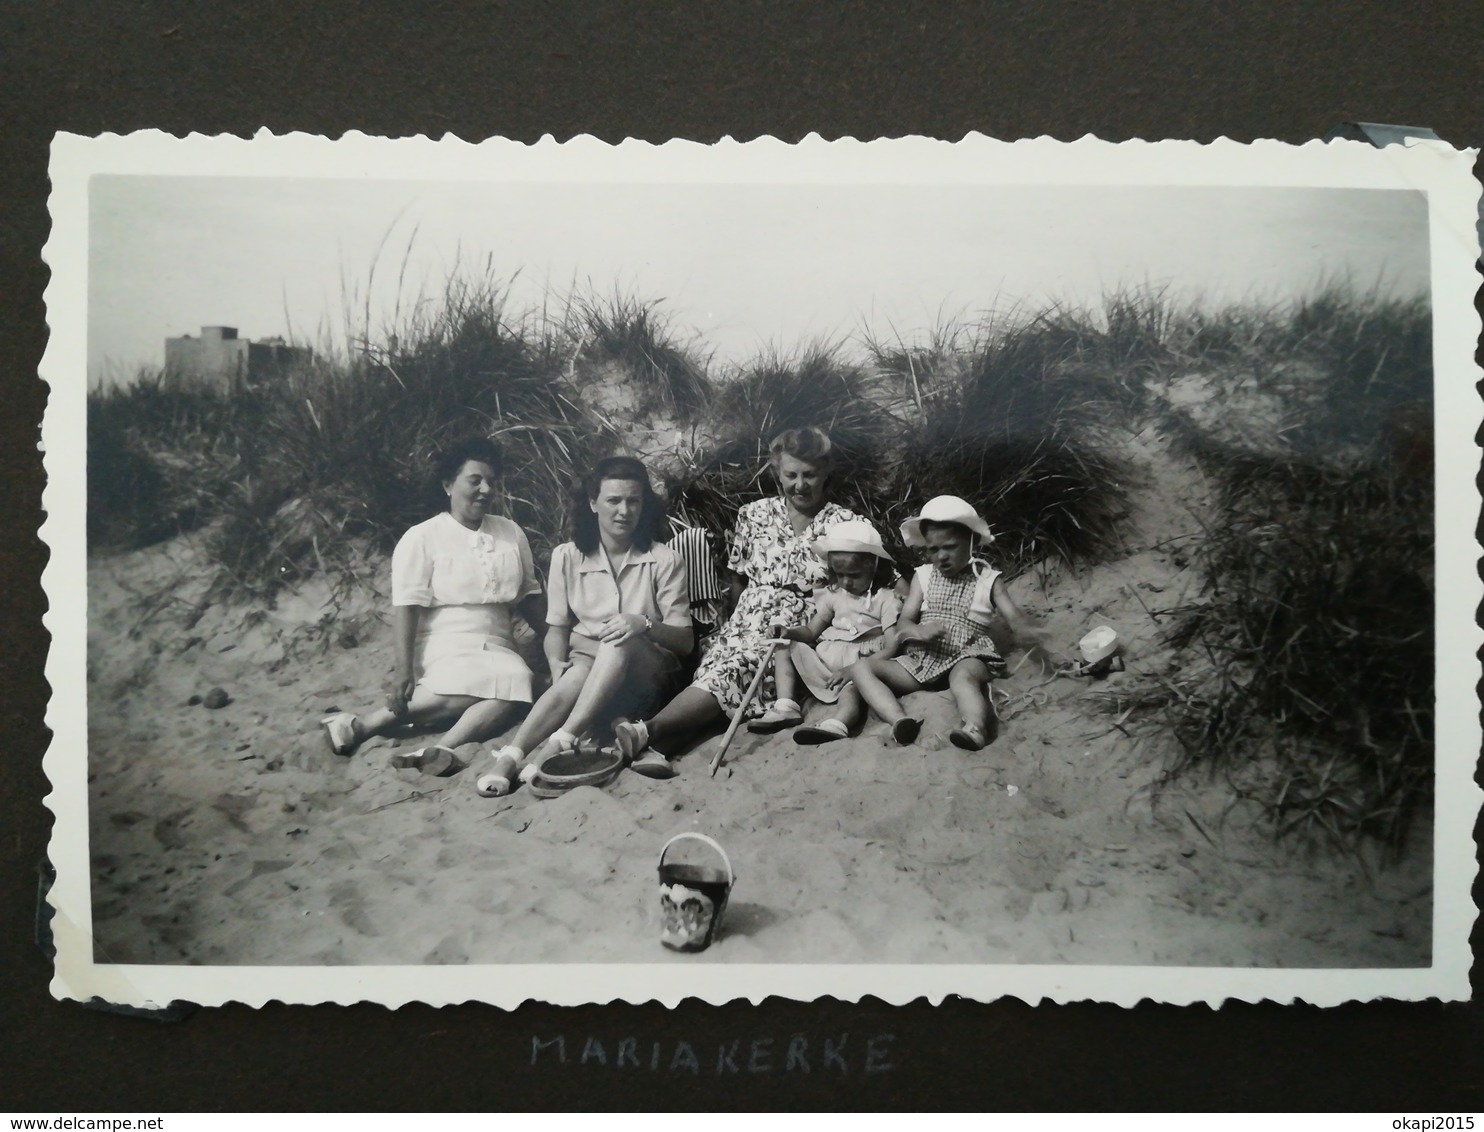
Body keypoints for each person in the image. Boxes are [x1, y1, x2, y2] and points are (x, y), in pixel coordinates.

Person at [614, 426, 865, 778]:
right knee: (720, 668)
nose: (800, 485)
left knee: (731, 673)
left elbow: (872, 580)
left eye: (809, 475)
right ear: (778, 473)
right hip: (746, 619)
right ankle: (655, 747)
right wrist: (730, 624)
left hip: (798, 632)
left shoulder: (846, 525)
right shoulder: (754, 514)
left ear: (825, 472)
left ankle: (649, 732)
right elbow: (737, 578)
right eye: (791, 475)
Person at [474, 456, 694, 796]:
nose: (624, 511)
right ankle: (512, 756)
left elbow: (685, 642)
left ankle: (558, 743)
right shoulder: (568, 556)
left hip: (648, 679)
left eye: (633, 500)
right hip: (591, 674)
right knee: (575, 672)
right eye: (613, 500)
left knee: (617, 640)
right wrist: (555, 663)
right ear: (593, 504)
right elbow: (557, 629)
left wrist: (644, 624)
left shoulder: (664, 559)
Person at [320, 437, 543, 771]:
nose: (485, 489)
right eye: (475, 480)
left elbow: (530, 598)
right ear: (448, 485)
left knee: (513, 684)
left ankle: (437, 749)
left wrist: (560, 644)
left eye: (491, 482)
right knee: (509, 682)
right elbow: (407, 608)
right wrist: (403, 670)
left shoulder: (510, 532)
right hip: (445, 643)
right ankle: (368, 724)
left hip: (499, 643)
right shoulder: (421, 537)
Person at [795, 494, 1048, 751]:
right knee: (862, 668)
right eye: (933, 549)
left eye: (950, 547)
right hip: (922, 661)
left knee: (963, 678)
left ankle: (974, 728)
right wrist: (916, 630)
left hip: (967, 653)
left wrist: (1026, 630)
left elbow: (1013, 615)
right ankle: (899, 720)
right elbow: (905, 620)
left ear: (971, 541)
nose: (942, 557)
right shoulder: (923, 576)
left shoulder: (987, 579)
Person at [745, 518, 903, 736]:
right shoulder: (834, 595)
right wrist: (788, 632)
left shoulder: (886, 599)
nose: (846, 582)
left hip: (859, 665)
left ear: (874, 567)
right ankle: (786, 705)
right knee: (784, 646)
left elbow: (892, 645)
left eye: (854, 575)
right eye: (840, 574)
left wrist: (853, 670)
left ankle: (839, 724)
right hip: (825, 665)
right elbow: (811, 632)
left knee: (852, 692)